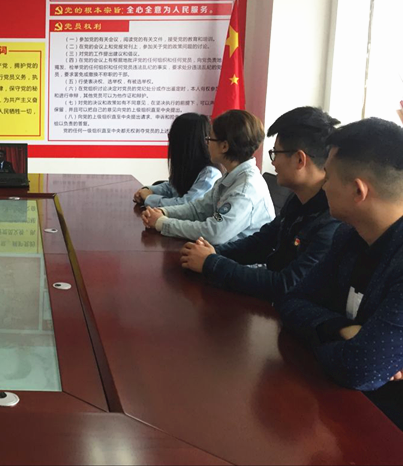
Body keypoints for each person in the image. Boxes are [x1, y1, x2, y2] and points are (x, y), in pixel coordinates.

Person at [275, 118, 403, 429]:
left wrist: (358, 348)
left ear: (358, 190)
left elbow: (360, 368)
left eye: (328, 177)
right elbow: (290, 301)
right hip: (343, 407)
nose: (323, 185)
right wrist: (343, 329)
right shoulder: (349, 236)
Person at [179, 107, 341, 301]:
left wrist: (211, 263)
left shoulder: (332, 219)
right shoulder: (299, 200)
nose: (273, 163)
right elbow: (261, 243)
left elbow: (285, 285)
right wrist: (212, 253)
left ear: (300, 159)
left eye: (275, 153)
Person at [142, 109, 274, 245]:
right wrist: (163, 212)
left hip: (241, 257)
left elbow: (214, 233)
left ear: (224, 146)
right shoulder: (230, 176)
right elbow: (197, 209)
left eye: (209, 139)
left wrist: (162, 223)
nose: (206, 143)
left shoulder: (245, 189)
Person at [134, 112, 221, 208]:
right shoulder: (190, 165)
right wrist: (148, 190)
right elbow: (171, 188)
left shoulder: (210, 174)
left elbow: (186, 205)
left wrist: (149, 198)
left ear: (184, 143)